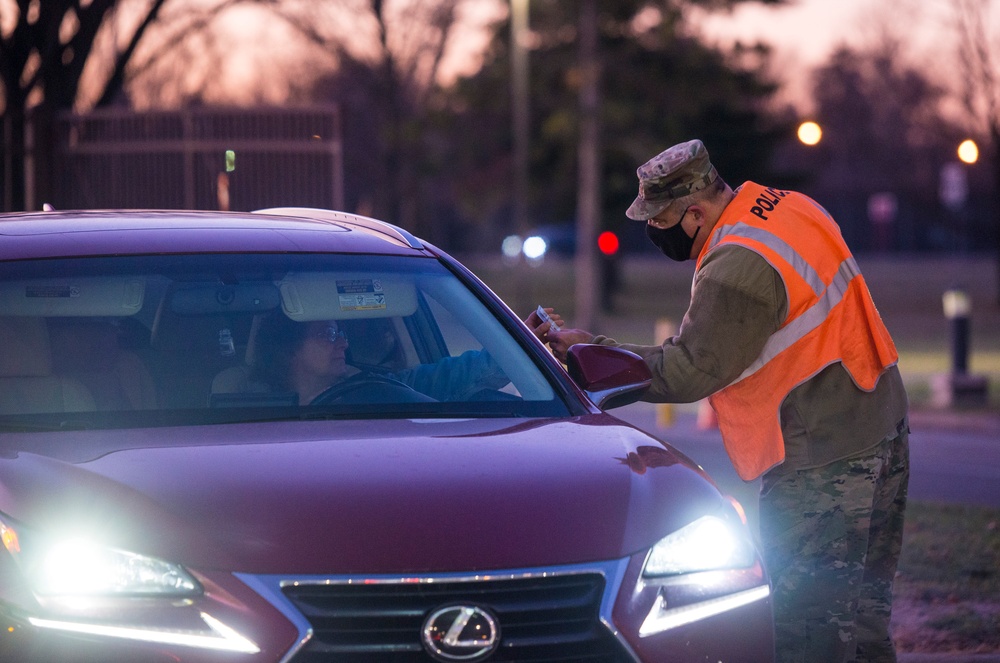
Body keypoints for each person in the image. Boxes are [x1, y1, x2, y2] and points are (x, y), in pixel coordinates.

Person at [547, 139, 909, 663]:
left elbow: (687, 370)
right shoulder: (787, 206)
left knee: (808, 632)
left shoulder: (736, 265)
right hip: (881, 423)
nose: (655, 232)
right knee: (863, 623)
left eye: (661, 220)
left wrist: (588, 354)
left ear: (694, 211)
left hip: (825, 461)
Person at [251, 308, 562, 405]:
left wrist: (516, 344)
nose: (343, 344)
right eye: (328, 335)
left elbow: (455, 377)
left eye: (341, 333)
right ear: (288, 350)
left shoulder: (379, 387)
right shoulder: (252, 408)